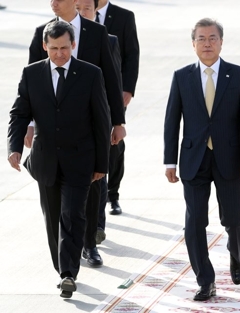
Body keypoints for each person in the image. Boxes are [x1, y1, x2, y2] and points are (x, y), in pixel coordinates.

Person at [7, 21, 111, 298]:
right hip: (45, 161)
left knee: (72, 215)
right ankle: (61, 268)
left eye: (65, 47)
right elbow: (19, 113)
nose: (60, 54)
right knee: (53, 219)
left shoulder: (90, 74)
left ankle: (68, 273)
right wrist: (14, 147)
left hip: (81, 161)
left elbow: (102, 121)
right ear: (45, 46)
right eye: (54, 48)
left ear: (73, 44)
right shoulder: (32, 74)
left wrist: (102, 165)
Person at [163, 18, 240, 301]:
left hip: (230, 159)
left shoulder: (238, 75)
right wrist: (170, 162)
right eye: (201, 39)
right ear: (193, 44)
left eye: (212, 38)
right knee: (194, 223)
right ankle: (205, 280)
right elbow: (172, 121)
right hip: (193, 160)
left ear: (221, 42)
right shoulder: (181, 77)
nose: (207, 43)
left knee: (235, 219)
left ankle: (237, 254)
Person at [26, 0, 126, 267]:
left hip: (93, 123)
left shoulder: (97, 33)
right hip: (54, 130)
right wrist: (30, 124)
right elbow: (32, 84)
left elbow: (112, 79)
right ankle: (66, 251)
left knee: (93, 185)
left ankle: (90, 244)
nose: (53, 3)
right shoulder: (41, 32)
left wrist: (118, 121)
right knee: (61, 197)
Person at [76, 0, 122, 245]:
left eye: (86, 8)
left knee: (98, 177)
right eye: (77, 7)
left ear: (96, 12)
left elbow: (113, 82)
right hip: (66, 123)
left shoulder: (106, 38)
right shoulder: (53, 36)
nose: (81, 12)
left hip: (98, 120)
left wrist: (117, 121)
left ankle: (96, 229)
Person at [97, 0, 140, 216]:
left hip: (113, 91)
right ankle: (98, 196)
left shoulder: (124, 16)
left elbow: (132, 54)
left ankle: (113, 195)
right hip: (86, 93)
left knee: (115, 145)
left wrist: (128, 89)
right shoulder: (77, 11)